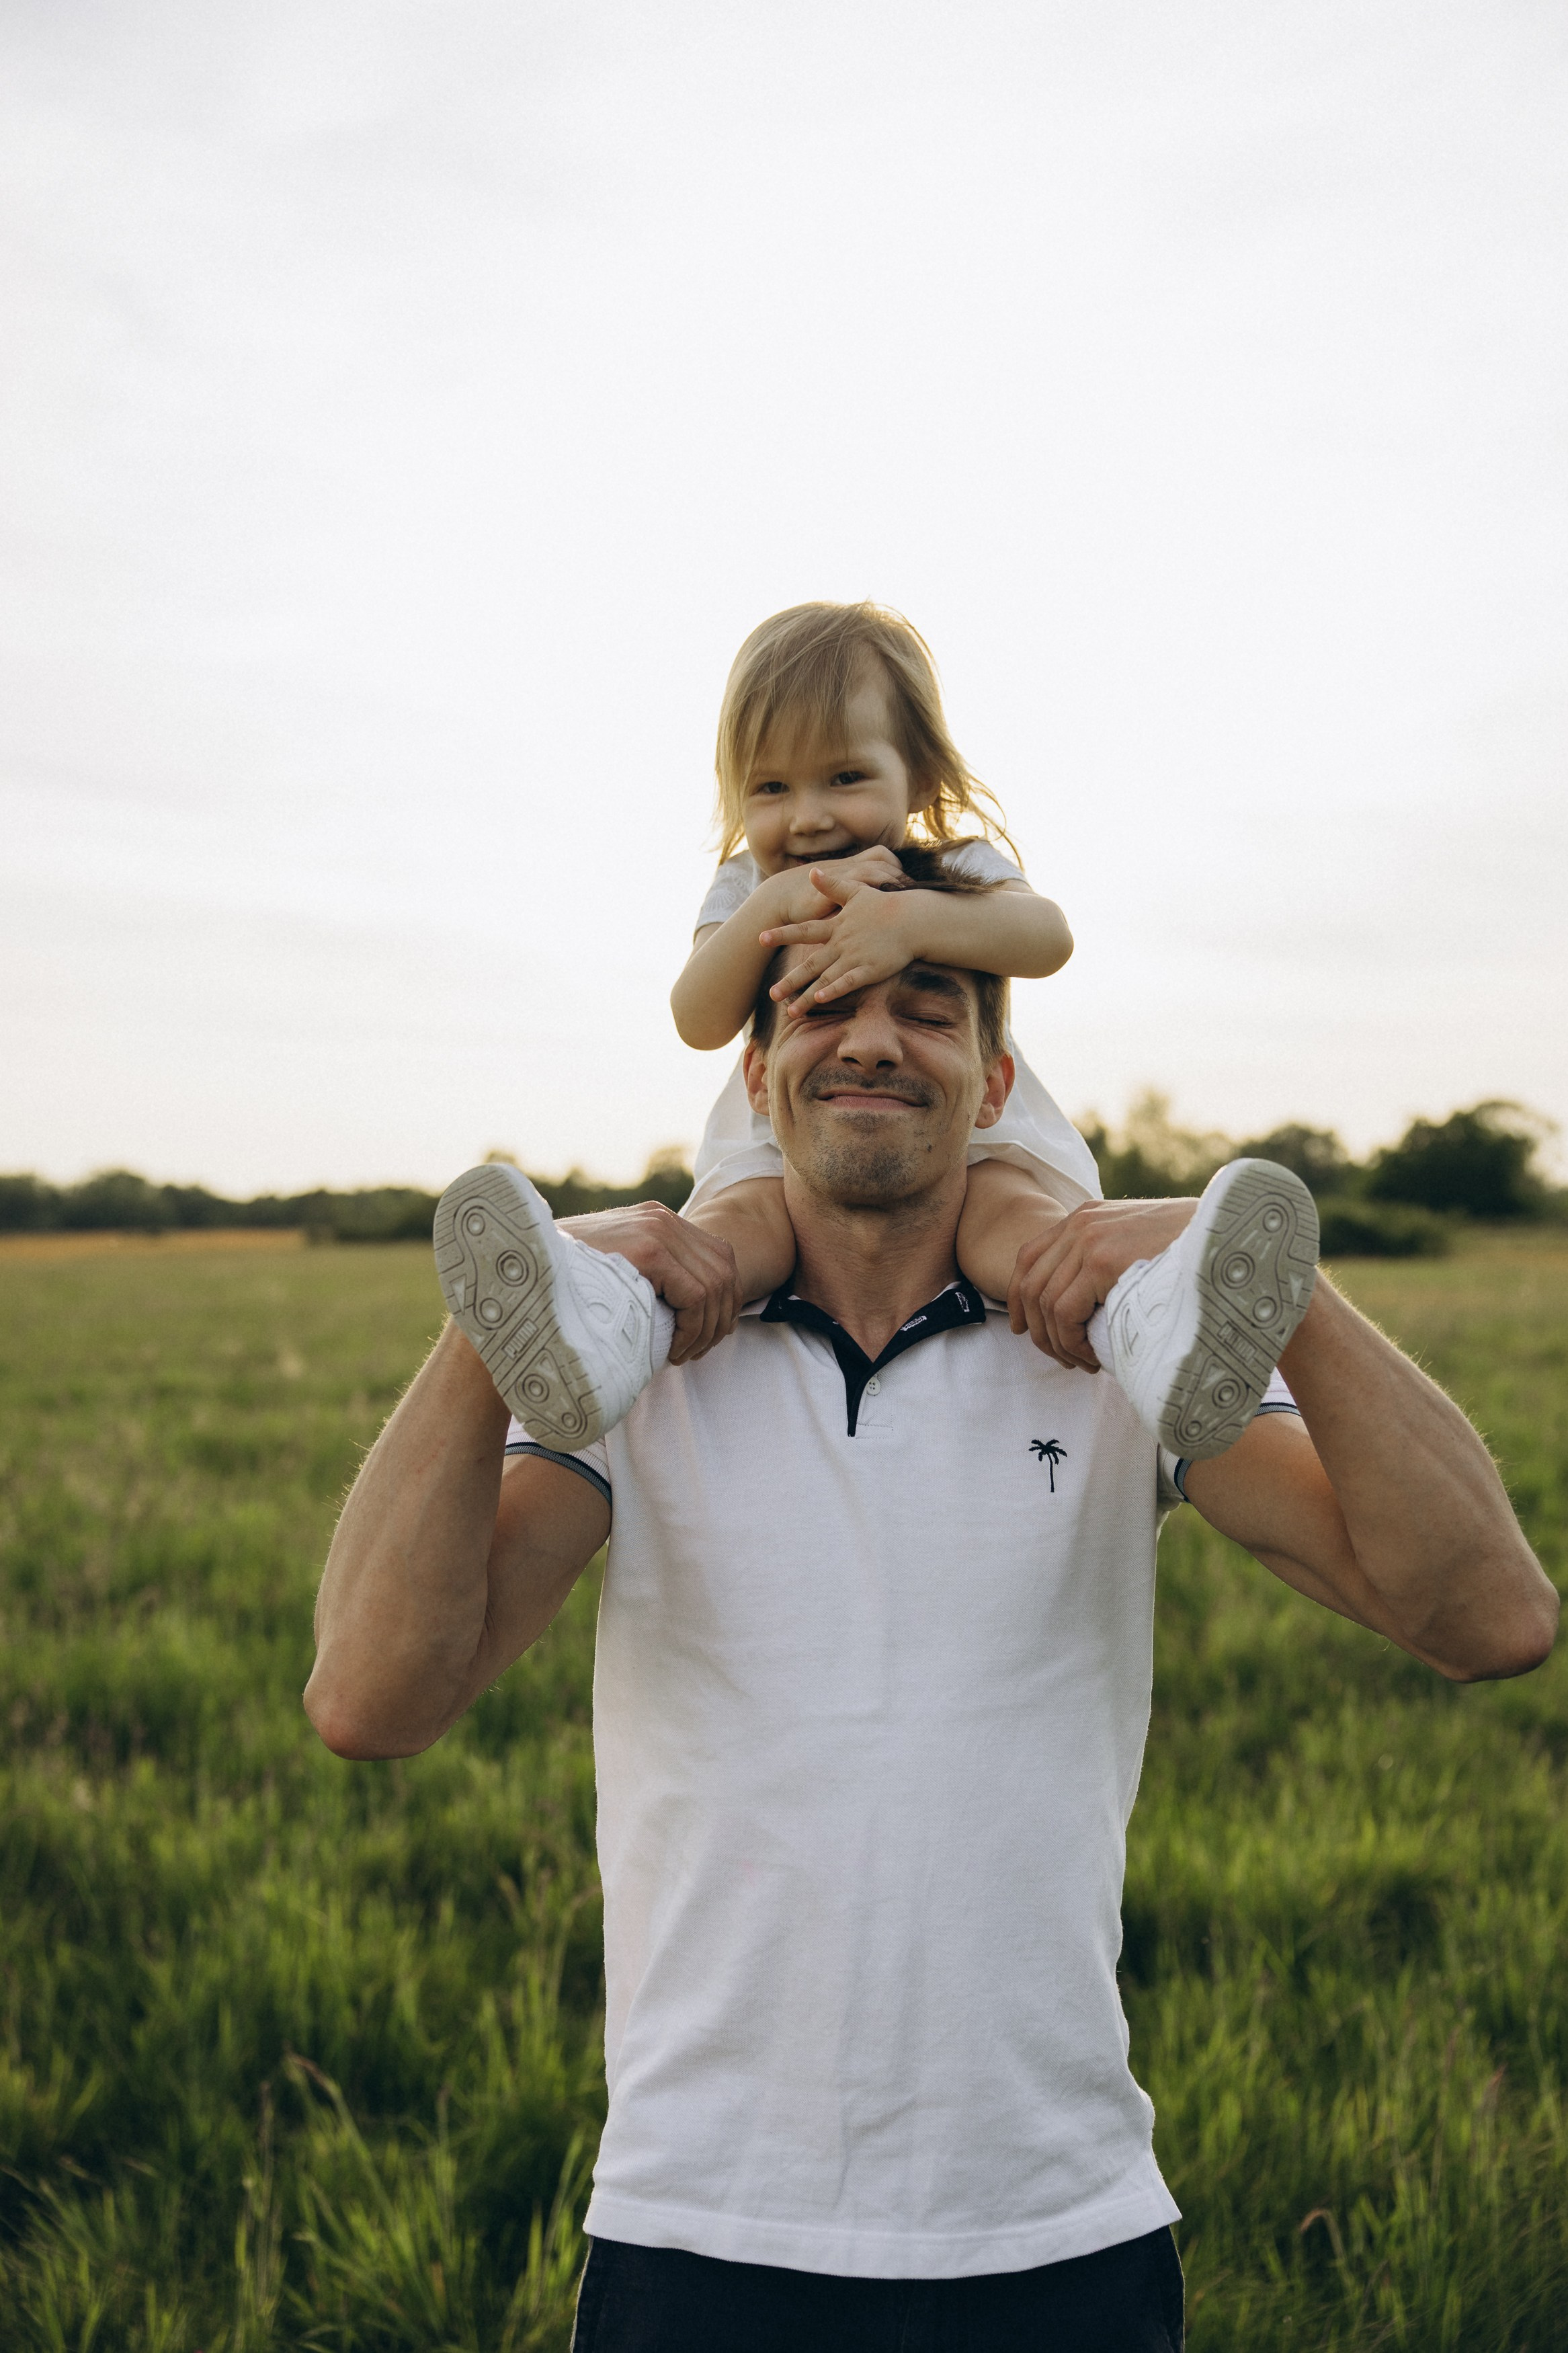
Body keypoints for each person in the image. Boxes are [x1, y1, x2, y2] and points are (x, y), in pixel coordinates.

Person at [305, 934, 1556, 2353]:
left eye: (928, 1009)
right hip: (700, 2224)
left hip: (1054, 2223)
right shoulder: (637, 1364)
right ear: (760, 1077)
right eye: (824, 1006)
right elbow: (371, 1696)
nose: (875, 1038)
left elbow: (1485, 1618)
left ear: (996, 1081)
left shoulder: (1115, 1353)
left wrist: (1282, 1289)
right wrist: (508, 1310)